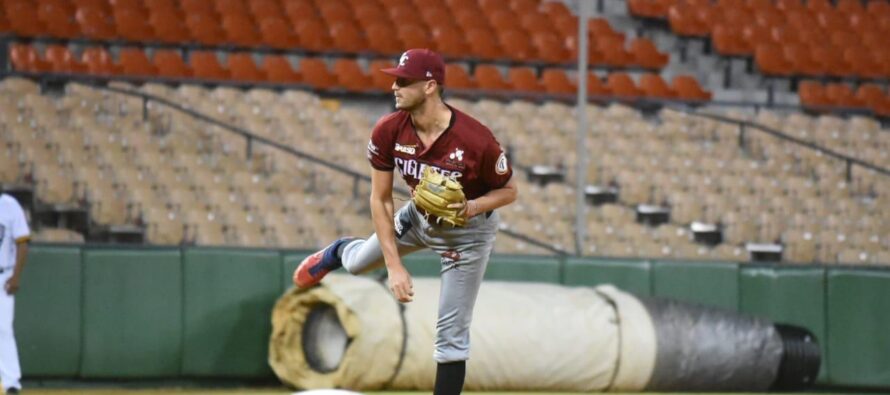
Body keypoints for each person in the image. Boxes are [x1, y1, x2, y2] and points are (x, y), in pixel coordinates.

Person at [294, 48, 518, 394]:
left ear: (430, 86)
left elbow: (509, 192)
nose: (394, 87)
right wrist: (394, 265)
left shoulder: (477, 141)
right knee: (355, 265)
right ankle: (339, 250)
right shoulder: (389, 130)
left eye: (403, 80)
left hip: (467, 236)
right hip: (416, 217)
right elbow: (380, 199)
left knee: (451, 334)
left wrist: (471, 207)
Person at [0, 193, 29, 394]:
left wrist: (16, 276)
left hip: (4, 274)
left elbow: (22, 242)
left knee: (3, 329)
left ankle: (11, 383)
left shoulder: (9, 205)